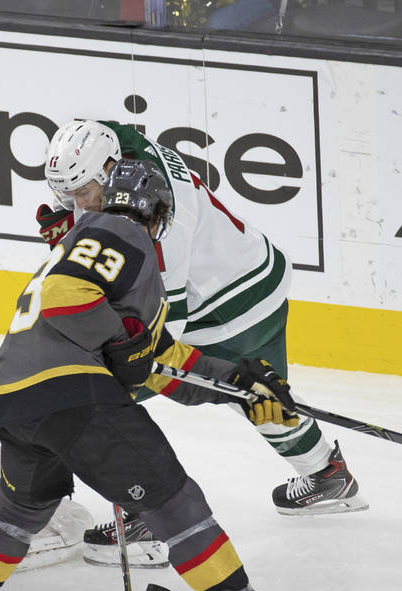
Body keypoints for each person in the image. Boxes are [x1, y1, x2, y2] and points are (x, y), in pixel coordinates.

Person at [0, 159, 303, 591]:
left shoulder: (87, 242)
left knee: (19, 505)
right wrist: (121, 335)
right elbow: (72, 307)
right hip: (73, 394)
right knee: (176, 502)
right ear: (158, 212)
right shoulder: (124, 233)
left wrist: (241, 385)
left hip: (15, 398)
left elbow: (156, 364)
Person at [37, 119, 365, 566]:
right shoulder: (115, 150)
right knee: (255, 396)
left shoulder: (161, 222)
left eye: (84, 193)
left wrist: (113, 366)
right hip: (248, 270)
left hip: (224, 304)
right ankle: (327, 474)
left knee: (122, 393)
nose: (77, 205)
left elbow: (159, 325)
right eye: (67, 195)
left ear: (113, 168)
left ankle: (149, 513)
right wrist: (77, 220)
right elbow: (105, 134)